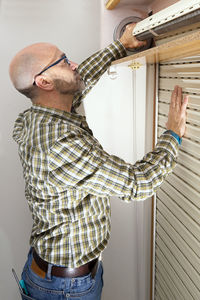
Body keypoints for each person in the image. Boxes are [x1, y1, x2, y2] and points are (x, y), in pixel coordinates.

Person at [9, 23, 188, 300]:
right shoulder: (59, 144)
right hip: (65, 289)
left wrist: (122, 45)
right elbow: (137, 184)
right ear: (44, 82)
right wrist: (173, 135)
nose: (75, 64)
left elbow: (82, 80)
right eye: (64, 61)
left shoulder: (42, 115)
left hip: (60, 278)